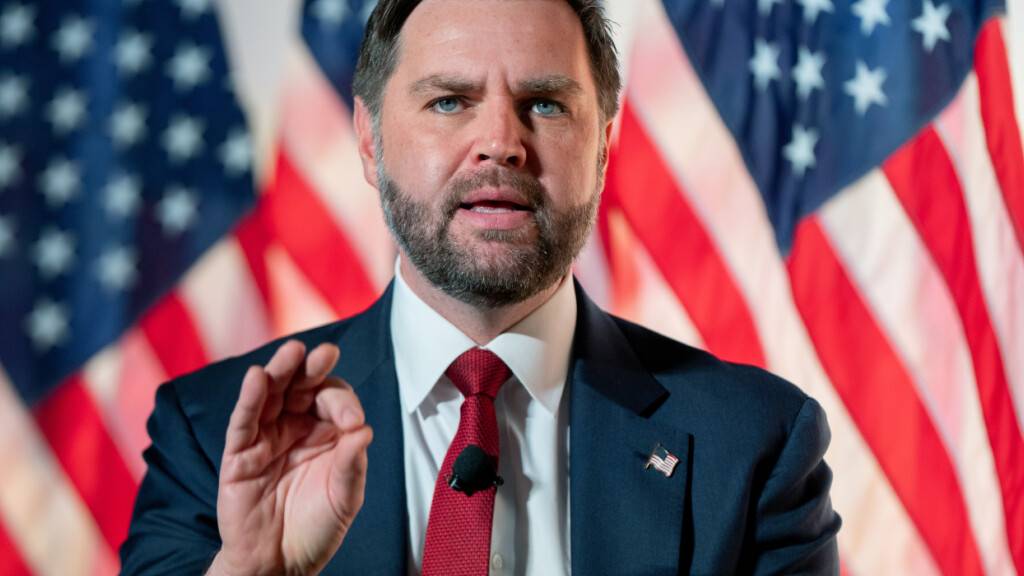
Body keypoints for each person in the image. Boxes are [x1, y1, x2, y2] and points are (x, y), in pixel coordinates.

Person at [120, 0, 841, 574]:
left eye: (547, 103)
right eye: (449, 101)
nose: (501, 140)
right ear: (370, 141)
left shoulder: (756, 445)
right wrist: (250, 573)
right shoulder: (212, 436)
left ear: (605, 146)